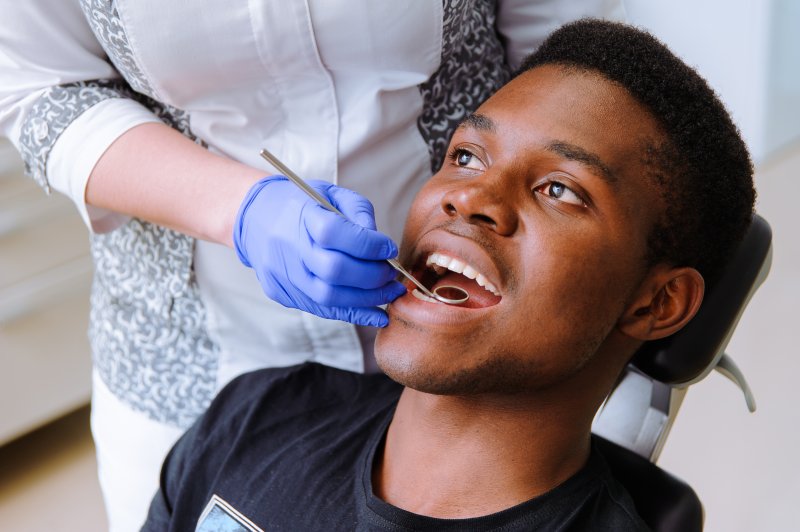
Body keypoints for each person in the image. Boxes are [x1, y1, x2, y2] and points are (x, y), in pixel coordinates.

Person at [0, 2, 626, 529]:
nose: (470, 198)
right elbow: (37, 89)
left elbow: (574, 73)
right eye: (464, 161)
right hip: (199, 351)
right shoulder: (232, 426)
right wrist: (241, 212)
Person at [141, 19, 756, 531]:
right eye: (465, 156)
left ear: (658, 302)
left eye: (560, 190)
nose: (470, 197)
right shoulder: (255, 415)